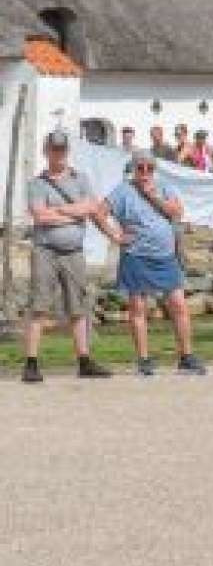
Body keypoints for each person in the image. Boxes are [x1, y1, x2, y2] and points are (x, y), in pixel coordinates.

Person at [22, 131, 119, 383]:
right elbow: (41, 216)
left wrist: (63, 210)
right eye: (54, 149)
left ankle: (84, 360)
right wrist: (75, 213)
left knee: (78, 307)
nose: (59, 153)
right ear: (46, 151)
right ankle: (31, 363)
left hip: (74, 252)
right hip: (45, 250)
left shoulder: (81, 179)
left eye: (62, 149)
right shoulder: (36, 183)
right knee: (39, 305)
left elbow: (92, 209)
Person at [106, 150, 207, 376]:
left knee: (179, 305)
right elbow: (98, 211)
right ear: (133, 169)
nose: (144, 172)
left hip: (165, 256)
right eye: (140, 168)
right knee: (138, 309)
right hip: (136, 255)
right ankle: (143, 360)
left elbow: (177, 213)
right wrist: (115, 235)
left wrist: (153, 196)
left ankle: (186, 357)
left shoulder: (163, 186)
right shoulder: (123, 191)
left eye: (149, 168)